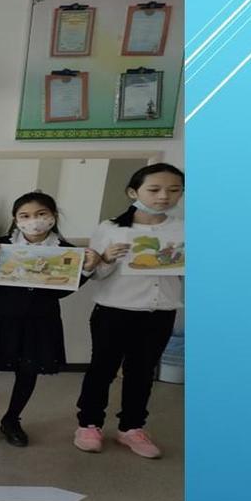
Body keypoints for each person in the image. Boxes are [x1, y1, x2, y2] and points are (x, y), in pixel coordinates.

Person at [0, 192, 100, 446]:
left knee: (28, 370)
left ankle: (12, 420)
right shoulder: (3, 244)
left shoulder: (65, 251)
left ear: (53, 217)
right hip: (1, 317)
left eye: (41, 214)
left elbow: (63, 290)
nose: (33, 221)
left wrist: (88, 269)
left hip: (41, 319)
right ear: (15, 219)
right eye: (25, 216)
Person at [74, 164, 184, 459]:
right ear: (133, 192)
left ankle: (132, 427)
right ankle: (89, 424)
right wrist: (106, 259)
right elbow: (95, 274)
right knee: (102, 370)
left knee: (142, 373)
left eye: (174, 190)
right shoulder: (110, 228)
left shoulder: (184, 229)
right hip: (114, 311)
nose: (164, 196)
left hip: (160, 311)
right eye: (154, 189)